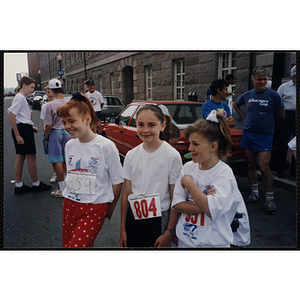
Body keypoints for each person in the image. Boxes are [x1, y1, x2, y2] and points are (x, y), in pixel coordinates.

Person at [172, 110, 250, 247]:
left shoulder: (223, 173)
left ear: (213, 146)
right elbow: (177, 204)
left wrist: (189, 183)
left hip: (212, 244)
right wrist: (203, 202)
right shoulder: (188, 168)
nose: (190, 148)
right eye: (190, 143)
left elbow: (209, 209)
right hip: (185, 241)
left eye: (195, 144)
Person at [57, 92, 124, 248]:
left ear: (87, 120)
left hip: (95, 206)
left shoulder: (106, 146)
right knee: (68, 245)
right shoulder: (69, 145)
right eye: (64, 122)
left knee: (77, 247)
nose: (67, 127)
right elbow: (71, 172)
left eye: (71, 121)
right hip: (70, 204)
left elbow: (117, 180)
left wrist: (110, 207)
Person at [119, 105, 182, 248]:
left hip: (159, 219)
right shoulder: (131, 155)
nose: (145, 130)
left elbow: (175, 196)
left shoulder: (172, 156)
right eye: (140, 125)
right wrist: (123, 228)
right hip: (134, 217)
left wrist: (169, 230)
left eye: (151, 125)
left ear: (162, 125)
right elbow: (127, 193)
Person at [233, 67, 285, 215]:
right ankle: (255, 193)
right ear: (253, 80)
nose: (262, 82)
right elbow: (236, 104)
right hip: (248, 134)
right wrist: (244, 116)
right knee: (250, 164)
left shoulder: (273, 95)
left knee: (263, 166)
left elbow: (281, 115)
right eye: (259, 79)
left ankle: (269, 199)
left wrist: (266, 120)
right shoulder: (248, 95)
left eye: (265, 79)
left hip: (265, 135)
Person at [7, 76, 52, 194]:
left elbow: (22, 116)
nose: (33, 90)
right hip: (22, 130)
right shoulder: (20, 98)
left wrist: (30, 126)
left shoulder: (21, 98)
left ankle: (19, 185)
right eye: (31, 87)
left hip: (25, 128)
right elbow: (12, 115)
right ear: (24, 86)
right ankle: (36, 184)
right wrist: (18, 135)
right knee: (31, 156)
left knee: (21, 156)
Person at [43, 79, 71, 197]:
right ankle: (68, 183)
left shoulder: (49, 105)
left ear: (51, 90)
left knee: (57, 160)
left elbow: (48, 125)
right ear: (61, 89)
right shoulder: (68, 102)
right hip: (67, 131)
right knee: (66, 159)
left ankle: (62, 188)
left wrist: (46, 138)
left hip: (55, 132)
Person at [276, 65, 296, 178]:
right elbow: (277, 102)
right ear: (293, 76)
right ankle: (280, 170)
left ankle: (294, 171)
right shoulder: (284, 87)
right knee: (282, 143)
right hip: (286, 115)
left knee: (296, 145)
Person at [40, 85, 57, 183]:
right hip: (48, 132)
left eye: (51, 91)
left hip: (57, 131)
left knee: (62, 154)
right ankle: (55, 173)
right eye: (48, 91)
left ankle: (64, 173)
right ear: (46, 93)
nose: (50, 93)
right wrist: (45, 134)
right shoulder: (44, 106)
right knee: (52, 155)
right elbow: (44, 122)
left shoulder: (58, 103)